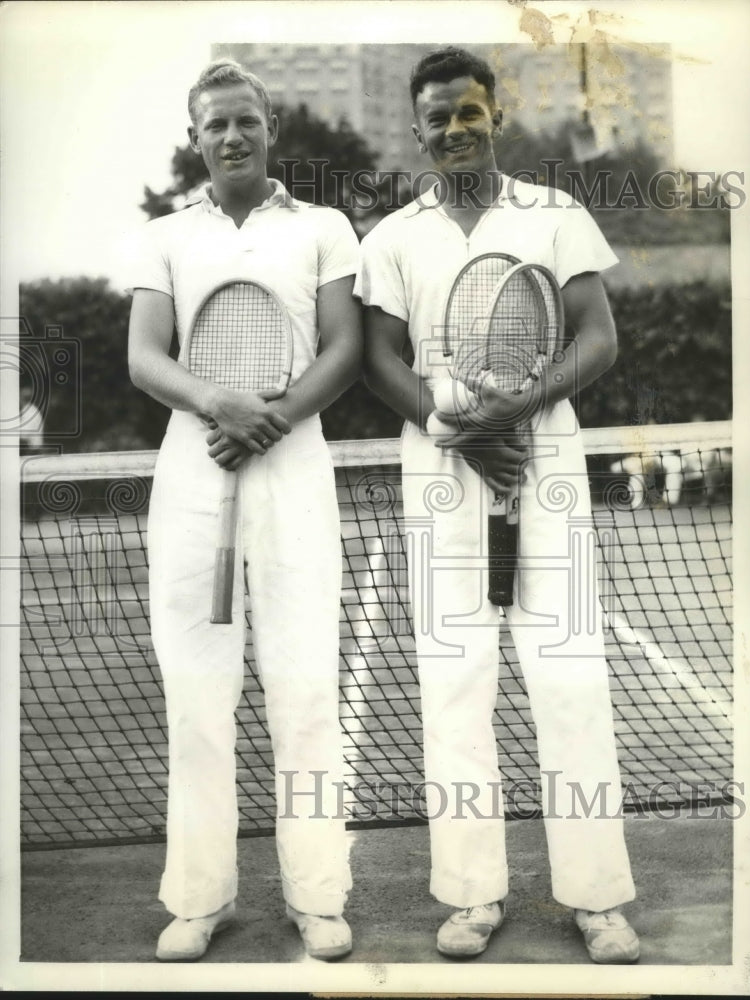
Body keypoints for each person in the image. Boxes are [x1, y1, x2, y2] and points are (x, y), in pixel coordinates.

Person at [357, 46, 640, 964]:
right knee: (454, 684)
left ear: (495, 116)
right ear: (417, 128)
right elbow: (378, 360)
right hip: (440, 464)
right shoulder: (391, 236)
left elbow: (596, 335)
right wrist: (454, 424)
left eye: (467, 112)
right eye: (435, 116)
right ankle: (473, 896)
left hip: (543, 452)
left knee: (568, 677)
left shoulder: (554, 213)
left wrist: (525, 399)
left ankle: (595, 899)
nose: (452, 129)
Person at [127, 59, 361, 962]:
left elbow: (341, 349)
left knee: (304, 689)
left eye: (246, 122)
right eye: (215, 124)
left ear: (271, 130)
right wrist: (219, 404)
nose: (232, 136)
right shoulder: (164, 238)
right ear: (196, 138)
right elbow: (148, 359)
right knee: (197, 696)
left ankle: (319, 895)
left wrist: (272, 417)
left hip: (293, 462)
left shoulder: (324, 226)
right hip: (194, 465)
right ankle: (199, 898)